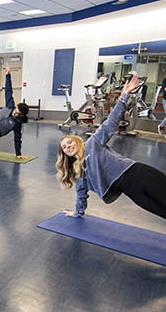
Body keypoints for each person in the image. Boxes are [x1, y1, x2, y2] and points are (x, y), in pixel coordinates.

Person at [56, 74, 166, 220]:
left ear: (77, 141)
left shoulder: (92, 144)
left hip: (139, 173)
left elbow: (111, 122)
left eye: (69, 142)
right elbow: (81, 194)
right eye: (64, 147)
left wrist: (124, 95)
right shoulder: (80, 173)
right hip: (131, 190)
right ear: (65, 154)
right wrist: (77, 213)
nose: (68, 146)